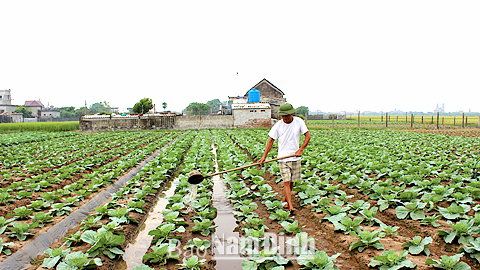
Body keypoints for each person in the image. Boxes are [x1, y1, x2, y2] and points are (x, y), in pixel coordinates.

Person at [259, 103, 311, 214]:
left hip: (295, 158)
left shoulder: (299, 122)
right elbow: (270, 141)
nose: (284, 118)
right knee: (286, 182)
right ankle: (290, 206)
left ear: (291, 114)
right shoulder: (278, 125)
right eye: (282, 116)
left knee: (292, 182)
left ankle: (285, 200)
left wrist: (301, 149)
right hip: (283, 158)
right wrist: (264, 156)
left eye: (286, 116)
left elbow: (308, 136)